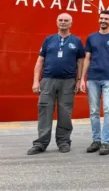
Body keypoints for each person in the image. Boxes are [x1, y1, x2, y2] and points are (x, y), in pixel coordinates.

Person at [27, 13, 85, 155]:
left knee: (65, 112)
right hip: (48, 80)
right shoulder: (49, 40)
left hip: (68, 81)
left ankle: (63, 141)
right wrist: (36, 80)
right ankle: (41, 143)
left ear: (71, 23)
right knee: (44, 110)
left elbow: (81, 62)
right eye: (60, 20)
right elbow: (40, 61)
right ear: (56, 22)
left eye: (66, 20)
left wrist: (79, 80)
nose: (63, 22)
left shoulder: (77, 41)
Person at [80, 10, 109, 155]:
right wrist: (82, 78)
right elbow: (87, 58)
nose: (103, 20)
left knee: (108, 110)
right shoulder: (91, 37)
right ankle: (96, 140)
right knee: (93, 111)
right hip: (92, 78)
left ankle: (105, 142)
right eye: (101, 18)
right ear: (98, 20)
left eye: (106, 19)